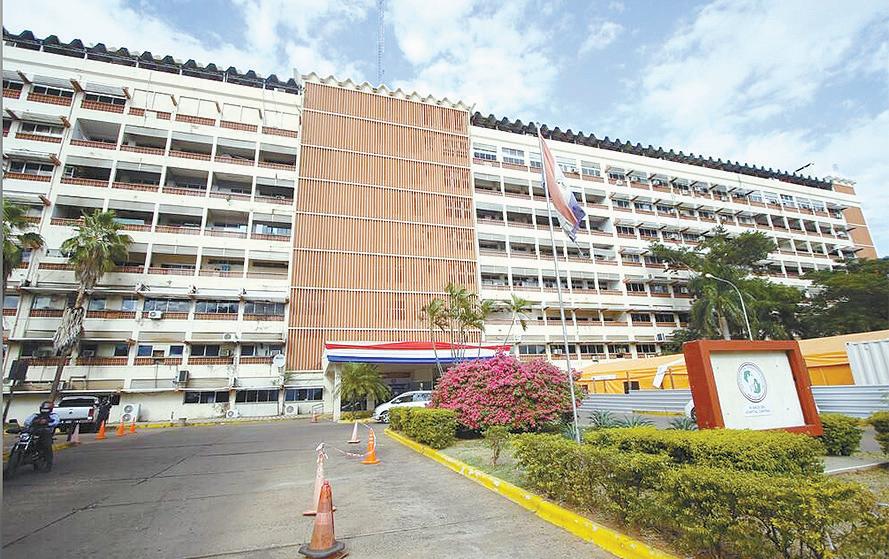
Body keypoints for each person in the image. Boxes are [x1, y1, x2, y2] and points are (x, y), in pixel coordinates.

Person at [23, 401, 61, 471]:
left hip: (46, 433)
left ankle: (48, 464)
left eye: (46, 409)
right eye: (43, 408)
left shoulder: (53, 415)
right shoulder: (35, 415)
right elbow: (27, 422)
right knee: (22, 441)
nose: (44, 410)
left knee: (47, 446)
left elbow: (56, 422)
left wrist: (47, 422)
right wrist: (35, 422)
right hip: (33, 432)